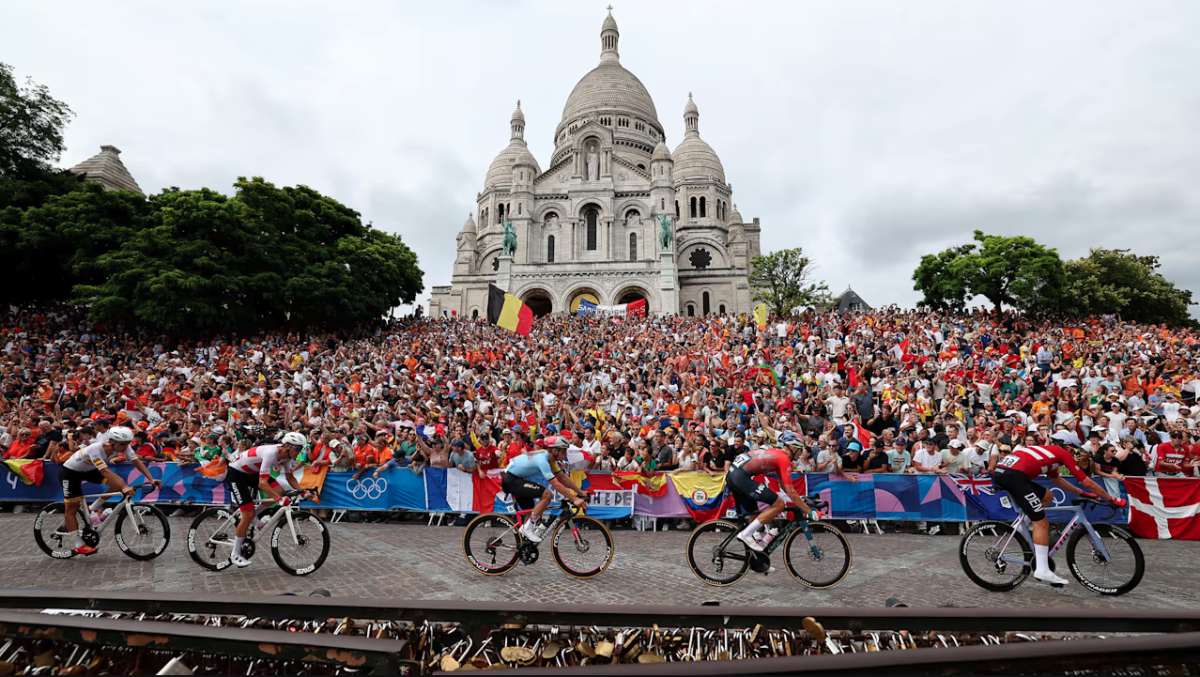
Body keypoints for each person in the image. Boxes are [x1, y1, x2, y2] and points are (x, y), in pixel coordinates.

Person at [991, 444, 1125, 587]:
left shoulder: (1050, 455)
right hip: (1014, 476)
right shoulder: (1062, 454)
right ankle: (1042, 569)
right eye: (1075, 452)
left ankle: (1019, 528)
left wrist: (1083, 493)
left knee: (1048, 496)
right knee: (1041, 522)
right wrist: (1112, 499)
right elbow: (1085, 481)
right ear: (1068, 450)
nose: (1077, 455)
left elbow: (1056, 480)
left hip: (1006, 472)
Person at [729, 432, 856, 552]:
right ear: (793, 448)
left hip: (735, 474)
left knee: (754, 513)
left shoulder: (777, 456)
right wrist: (809, 511)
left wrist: (800, 499)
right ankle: (746, 534)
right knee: (779, 505)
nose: (801, 454)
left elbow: (784, 488)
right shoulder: (783, 459)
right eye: (800, 450)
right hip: (741, 476)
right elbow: (790, 491)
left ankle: (756, 554)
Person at [60, 426, 162, 556]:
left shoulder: (123, 446)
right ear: (112, 442)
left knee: (116, 485)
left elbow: (136, 461)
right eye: (123, 444)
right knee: (72, 508)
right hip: (70, 473)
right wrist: (124, 485)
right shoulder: (95, 449)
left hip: (89, 471)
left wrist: (151, 479)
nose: (126, 446)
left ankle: (92, 507)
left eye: (129, 443)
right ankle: (79, 545)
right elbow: (104, 471)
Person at [224, 431, 309, 568]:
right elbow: (262, 484)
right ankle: (235, 554)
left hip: (253, 473)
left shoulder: (286, 457)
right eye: (298, 448)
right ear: (287, 446)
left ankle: (255, 519)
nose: (300, 452)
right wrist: (280, 500)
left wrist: (303, 493)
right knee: (248, 513)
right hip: (237, 474)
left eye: (302, 448)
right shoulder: (271, 453)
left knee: (279, 491)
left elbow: (290, 477)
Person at [501, 436, 589, 543]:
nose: (566, 454)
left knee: (532, 513)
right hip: (511, 480)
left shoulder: (550, 459)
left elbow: (563, 477)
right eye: (564, 451)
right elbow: (555, 484)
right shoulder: (543, 460)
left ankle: (524, 545)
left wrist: (580, 492)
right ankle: (527, 529)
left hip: (514, 478)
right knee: (547, 494)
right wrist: (574, 498)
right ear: (555, 451)